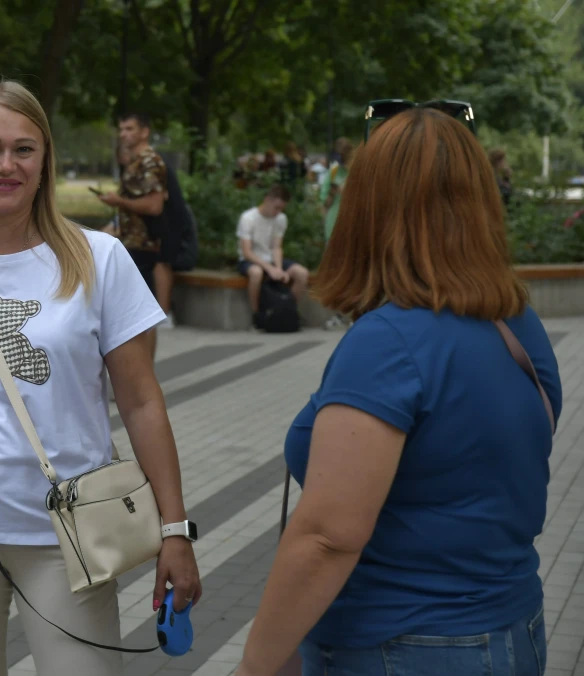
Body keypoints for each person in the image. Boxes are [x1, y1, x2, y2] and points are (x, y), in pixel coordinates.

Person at [0, 80, 201, 676]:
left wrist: (174, 529)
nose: (6, 165)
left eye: (24, 149)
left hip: (71, 531)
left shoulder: (98, 257)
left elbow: (142, 402)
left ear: (45, 159)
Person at [236, 107, 562, 675]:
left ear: (369, 206)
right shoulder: (517, 321)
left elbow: (327, 539)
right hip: (513, 631)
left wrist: (255, 666)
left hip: (400, 645)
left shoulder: (389, 342)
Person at [97, 113, 169, 355]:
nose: (123, 134)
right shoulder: (136, 162)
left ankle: (142, 381)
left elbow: (155, 205)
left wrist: (119, 201)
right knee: (133, 313)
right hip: (132, 243)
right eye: (121, 129)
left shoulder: (150, 162)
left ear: (144, 132)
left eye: (129, 129)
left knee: (141, 316)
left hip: (144, 244)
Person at [236, 183, 309, 324]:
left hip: (270, 258)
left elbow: (276, 247)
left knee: (302, 273)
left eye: (281, 208)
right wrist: (270, 269)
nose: (278, 211)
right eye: (276, 207)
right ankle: (257, 315)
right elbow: (247, 252)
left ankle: (287, 309)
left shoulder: (281, 219)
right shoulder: (248, 218)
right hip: (250, 259)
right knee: (256, 273)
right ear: (267, 200)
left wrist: (279, 269)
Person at [320, 138, 354, 331]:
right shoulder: (333, 173)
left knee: (352, 271)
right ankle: (337, 315)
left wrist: (346, 191)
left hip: (352, 226)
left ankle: (353, 313)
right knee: (334, 273)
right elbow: (324, 202)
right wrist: (333, 193)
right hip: (334, 226)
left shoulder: (357, 172)